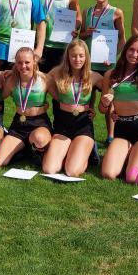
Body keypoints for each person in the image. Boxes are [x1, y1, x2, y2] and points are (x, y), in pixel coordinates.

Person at [99, 35, 138, 184]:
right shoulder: (110, 75)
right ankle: (130, 154)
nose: (134, 54)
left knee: (133, 178)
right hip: (122, 130)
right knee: (108, 173)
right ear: (125, 50)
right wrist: (105, 104)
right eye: (131, 49)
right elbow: (102, 109)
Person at [42, 39, 101, 177]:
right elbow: (39, 80)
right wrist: (11, 72)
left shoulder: (94, 76)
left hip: (83, 125)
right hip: (62, 124)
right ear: (67, 56)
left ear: (86, 57)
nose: (77, 59)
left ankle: (88, 151)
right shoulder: (57, 72)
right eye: (73, 56)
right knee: (49, 169)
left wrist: (98, 105)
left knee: (72, 171)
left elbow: (112, 88)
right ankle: (72, 151)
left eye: (81, 56)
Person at [79, 0, 126, 145]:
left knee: (108, 100)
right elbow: (80, 36)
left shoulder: (116, 13)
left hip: (107, 66)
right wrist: (87, 33)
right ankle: (87, 133)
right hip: (89, 65)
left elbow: (122, 39)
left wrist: (113, 56)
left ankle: (111, 135)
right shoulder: (87, 12)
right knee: (88, 100)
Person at [0, 47, 53, 167]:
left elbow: (60, 98)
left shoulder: (45, 79)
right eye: (19, 63)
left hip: (39, 123)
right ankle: (25, 150)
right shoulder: (11, 80)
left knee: (39, 139)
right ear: (15, 63)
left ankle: (37, 149)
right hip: (19, 124)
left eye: (27, 62)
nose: (23, 66)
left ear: (34, 61)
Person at [36, 0, 82, 73]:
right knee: (41, 82)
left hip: (62, 47)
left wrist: (74, 27)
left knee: (62, 82)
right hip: (41, 46)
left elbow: (78, 17)